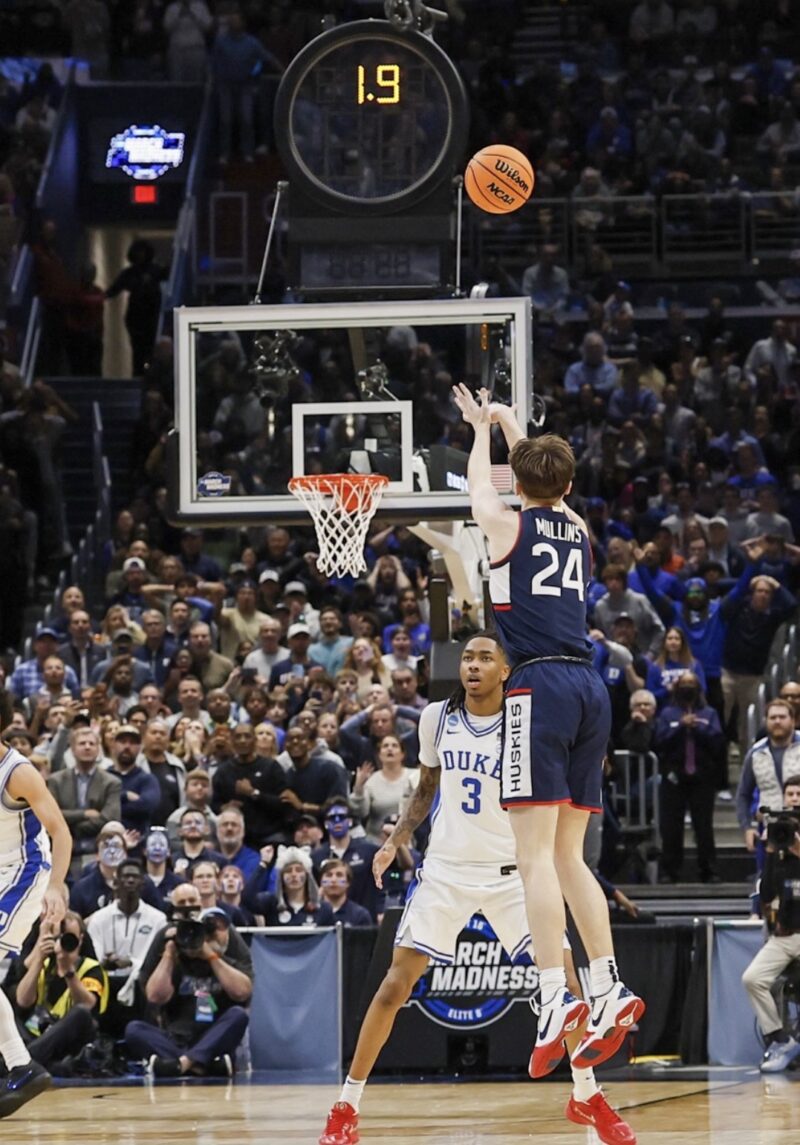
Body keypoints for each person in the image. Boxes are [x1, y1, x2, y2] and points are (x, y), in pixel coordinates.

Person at [319, 633, 635, 1145]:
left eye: (486, 658)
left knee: (570, 988)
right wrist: (396, 837)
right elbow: (426, 789)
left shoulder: (527, 722)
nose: (473, 665)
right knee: (395, 985)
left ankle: (586, 1094)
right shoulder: (435, 718)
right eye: (468, 657)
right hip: (446, 871)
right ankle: (346, 1106)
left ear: (507, 670)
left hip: (515, 875)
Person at [451, 384, 643, 1077]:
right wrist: (512, 427)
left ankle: (555, 995)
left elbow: (481, 488)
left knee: (530, 855)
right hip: (593, 688)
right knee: (571, 857)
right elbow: (544, 480)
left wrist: (480, 431)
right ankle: (609, 982)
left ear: (524, 482)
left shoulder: (507, 526)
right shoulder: (580, 529)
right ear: (565, 482)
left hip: (538, 684)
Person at [124, 884, 252, 1077]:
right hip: (175, 1035)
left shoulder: (222, 931)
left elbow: (243, 992)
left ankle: (178, 1064)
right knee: (133, 1029)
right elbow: (154, 996)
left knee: (238, 1015)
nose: (188, 907)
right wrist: (169, 954)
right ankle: (203, 1065)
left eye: (192, 902)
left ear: (201, 903)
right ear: (174, 908)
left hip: (214, 1034)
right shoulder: (167, 934)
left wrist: (210, 955)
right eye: (182, 903)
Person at [742, 799, 800, 1072]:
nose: (794, 797)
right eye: (790, 792)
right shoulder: (779, 850)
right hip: (785, 936)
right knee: (752, 978)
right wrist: (769, 851)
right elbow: (766, 894)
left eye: (798, 792)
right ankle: (780, 1039)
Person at [653, 672, 725, 883]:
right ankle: (670, 871)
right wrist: (681, 727)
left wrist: (698, 728)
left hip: (702, 777)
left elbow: (718, 742)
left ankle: (708, 870)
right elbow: (659, 742)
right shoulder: (668, 713)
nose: (687, 686)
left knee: (703, 826)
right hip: (674, 777)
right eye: (683, 683)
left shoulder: (709, 713)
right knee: (671, 826)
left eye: (691, 683)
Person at [87, 858, 166, 1035]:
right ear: (116, 883)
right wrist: (106, 962)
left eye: (135, 877)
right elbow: (93, 958)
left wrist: (131, 962)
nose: (130, 881)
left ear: (142, 883)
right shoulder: (99, 919)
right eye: (125, 877)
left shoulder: (158, 920)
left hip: (142, 987)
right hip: (106, 984)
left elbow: (154, 962)